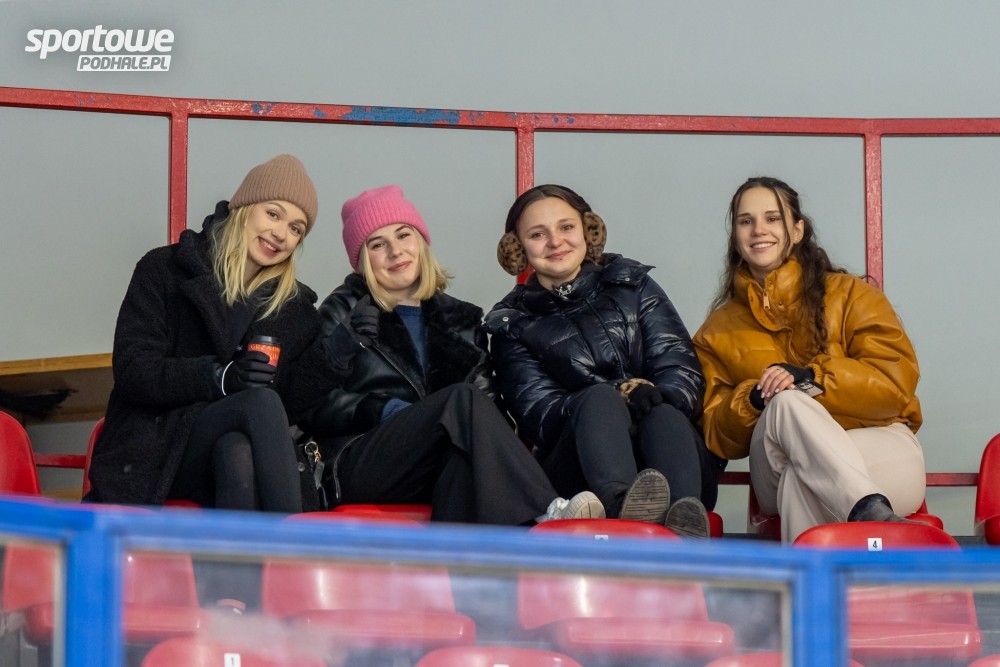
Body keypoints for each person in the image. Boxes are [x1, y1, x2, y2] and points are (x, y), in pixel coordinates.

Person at [305, 184, 603, 525]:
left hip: (433, 465)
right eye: (377, 244)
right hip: (364, 462)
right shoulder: (343, 310)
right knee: (462, 398)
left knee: (464, 459)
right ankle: (547, 512)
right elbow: (313, 402)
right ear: (362, 261)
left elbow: (490, 413)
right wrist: (384, 409)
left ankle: (465, 558)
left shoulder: (462, 319)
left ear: (421, 241)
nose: (395, 251)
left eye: (403, 235)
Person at [87, 154, 334, 514]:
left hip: (227, 453)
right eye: (273, 214)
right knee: (260, 402)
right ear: (242, 208)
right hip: (156, 448)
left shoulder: (292, 310)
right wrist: (218, 377)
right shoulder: (165, 269)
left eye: (296, 229)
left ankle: (237, 554)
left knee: (237, 451)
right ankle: (292, 542)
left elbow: (290, 409)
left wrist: (336, 355)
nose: (281, 234)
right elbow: (134, 370)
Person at [693, 176, 926, 542]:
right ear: (735, 236)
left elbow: (895, 386)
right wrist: (755, 398)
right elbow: (716, 435)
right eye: (745, 221)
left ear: (798, 229)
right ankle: (867, 511)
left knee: (799, 480)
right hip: (775, 458)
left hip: (881, 448)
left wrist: (811, 378)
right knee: (785, 403)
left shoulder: (852, 295)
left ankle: (812, 580)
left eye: (772, 218)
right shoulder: (716, 330)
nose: (758, 230)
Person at [485, 184, 716, 537]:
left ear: (588, 230)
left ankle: (684, 519)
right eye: (537, 234)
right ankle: (624, 508)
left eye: (566, 227)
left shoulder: (633, 284)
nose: (555, 242)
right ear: (517, 249)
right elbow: (539, 415)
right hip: (581, 475)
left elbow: (680, 368)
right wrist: (620, 392)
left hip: (669, 453)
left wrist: (655, 395)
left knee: (663, 411)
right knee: (598, 400)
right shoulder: (512, 323)